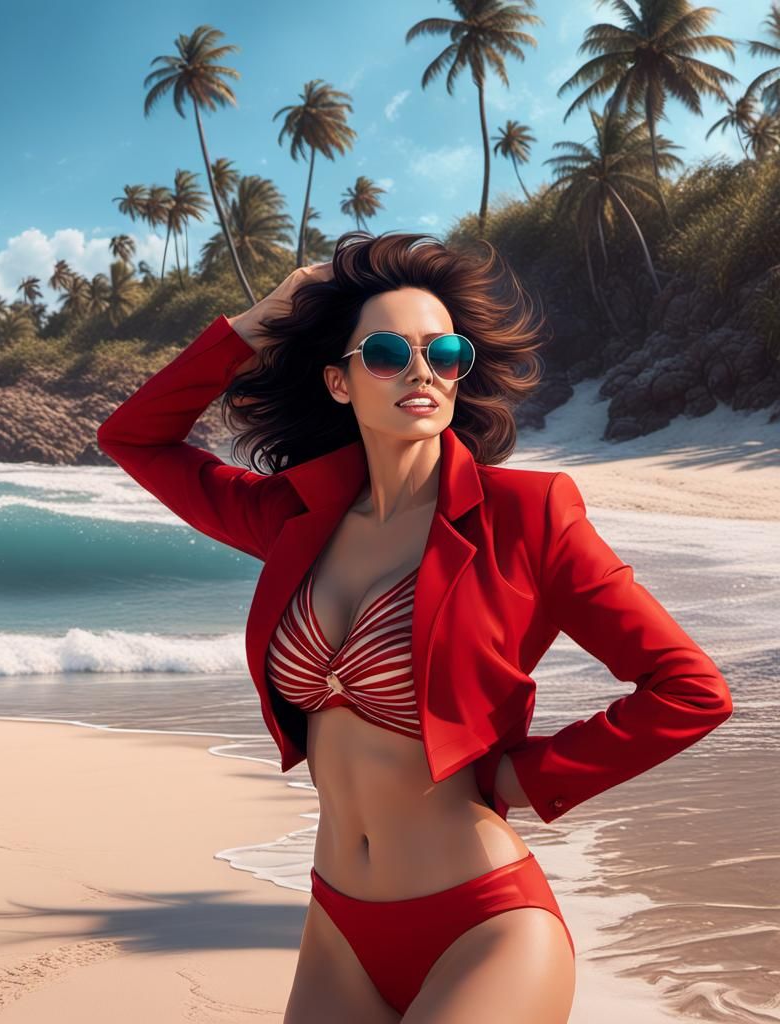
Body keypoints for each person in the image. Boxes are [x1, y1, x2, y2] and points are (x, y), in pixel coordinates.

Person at [96, 230, 733, 1023]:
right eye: (389, 352)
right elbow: (133, 437)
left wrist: (524, 778)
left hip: (486, 925)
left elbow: (690, 689)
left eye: (445, 352)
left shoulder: (526, 517)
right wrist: (256, 323)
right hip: (337, 926)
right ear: (340, 382)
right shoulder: (291, 519)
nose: (422, 370)